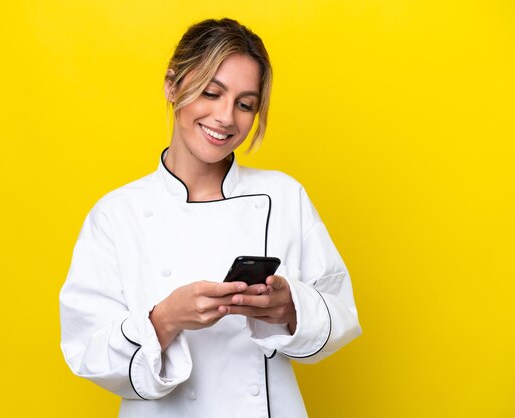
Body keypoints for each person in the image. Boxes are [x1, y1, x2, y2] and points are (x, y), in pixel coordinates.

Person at [59, 18, 361, 418]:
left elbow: (341, 311)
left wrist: (290, 308)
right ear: (172, 85)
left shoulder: (283, 195)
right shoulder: (117, 214)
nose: (225, 117)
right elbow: (87, 350)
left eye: (245, 104)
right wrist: (164, 319)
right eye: (211, 92)